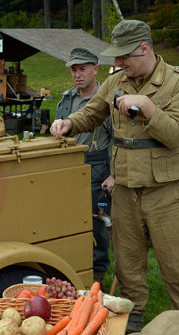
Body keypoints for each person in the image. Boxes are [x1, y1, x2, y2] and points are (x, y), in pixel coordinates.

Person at [50, 20, 179, 333]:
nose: (117, 63)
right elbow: (92, 113)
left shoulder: (177, 82)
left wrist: (148, 107)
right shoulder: (117, 80)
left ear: (144, 47)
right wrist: (68, 124)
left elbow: (176, 135)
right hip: (125, 192)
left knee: (177, 270)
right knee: (128, 269)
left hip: (165, 194)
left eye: (123, 57)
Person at [55, 48, 113, 286]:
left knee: (97, 220)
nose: (77, 75)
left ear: (95, 69)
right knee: (67, 218)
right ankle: (72, 265)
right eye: (74, 70)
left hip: (97, 168)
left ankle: (97, 272)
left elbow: (118, 140)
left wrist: (114, 175)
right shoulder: (67, 99)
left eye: (82, 69)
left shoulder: (107, 100)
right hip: (68, 165)